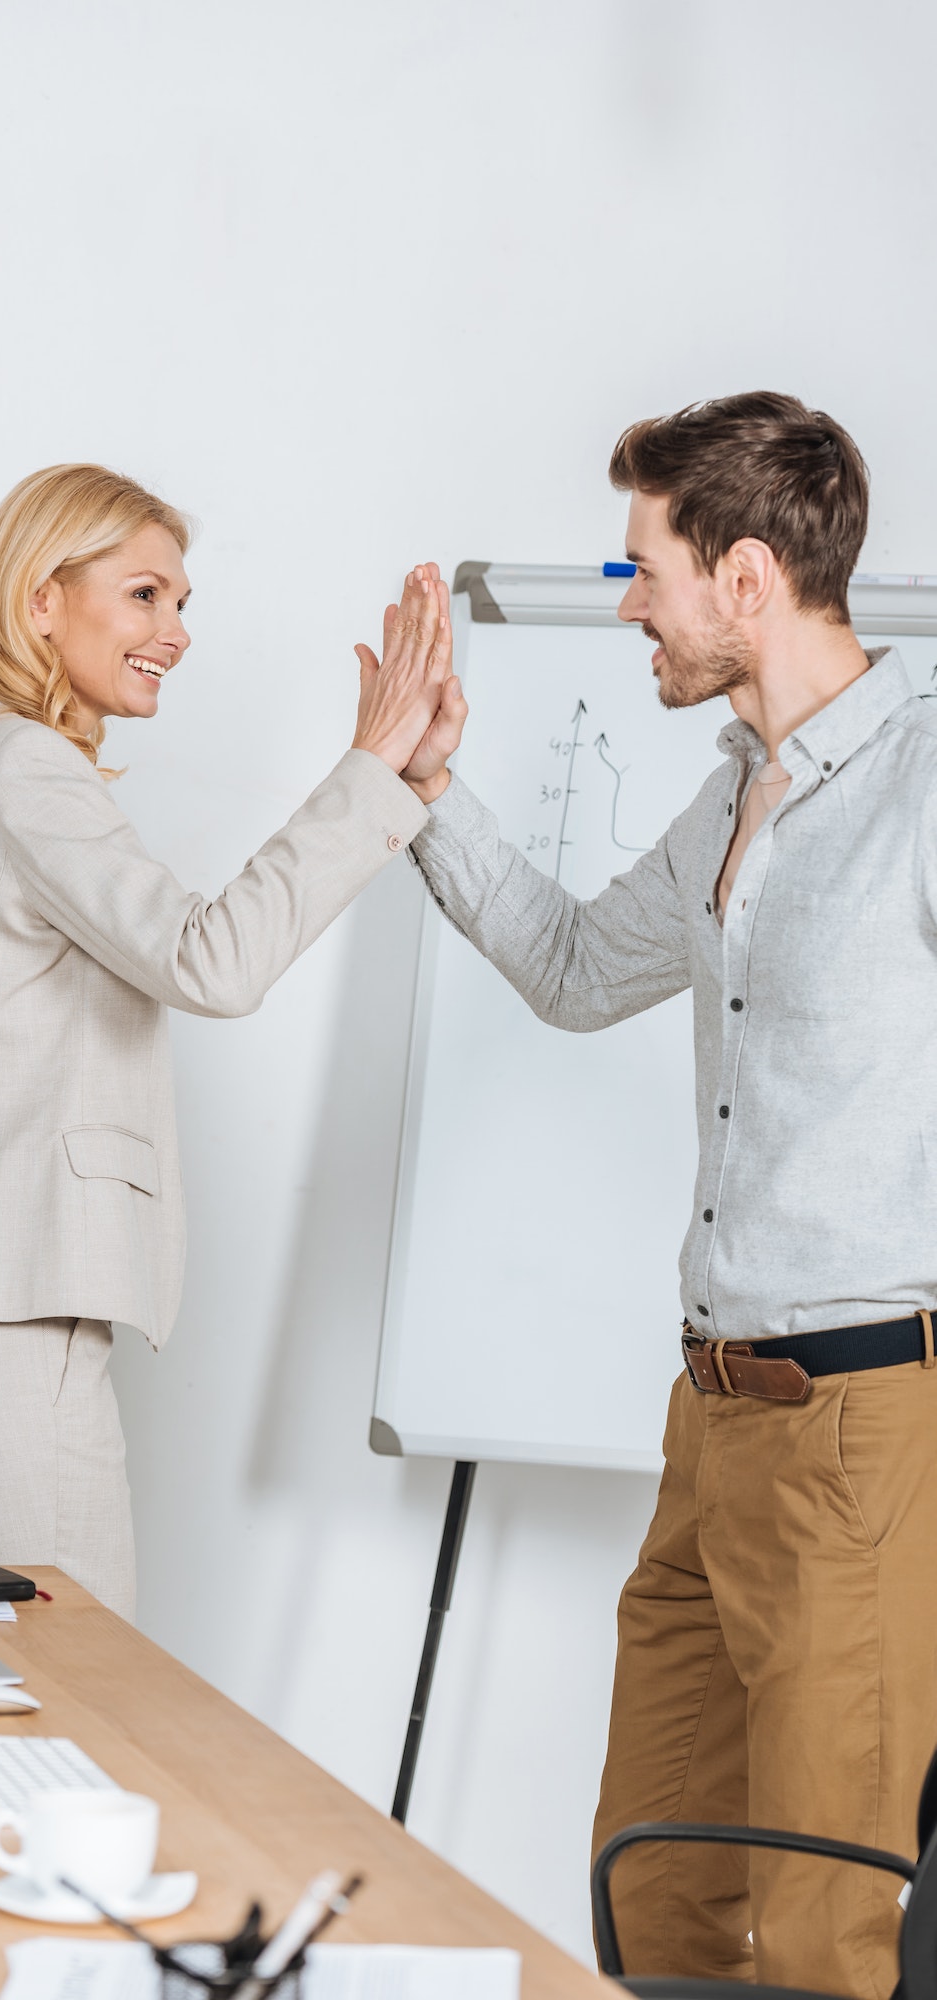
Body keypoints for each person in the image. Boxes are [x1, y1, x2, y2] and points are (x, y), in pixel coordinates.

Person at [401, 394, 937, 2000]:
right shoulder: (735, 791)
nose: (626, 601)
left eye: (643, 567)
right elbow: (572, 971)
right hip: (707, 1422)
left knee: (831, 1925)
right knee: (660, 1890)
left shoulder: (920, 782)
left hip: (860, 1428)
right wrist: (423, 791)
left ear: (746, 576)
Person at [0, 462, 462, 1621]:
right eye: (146, 594)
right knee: (80, 1700)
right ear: (41, 599)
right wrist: (366, 777)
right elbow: (212, 959)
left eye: (184, 603)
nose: (177, 632)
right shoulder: (29, 767)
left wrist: (391, 780)